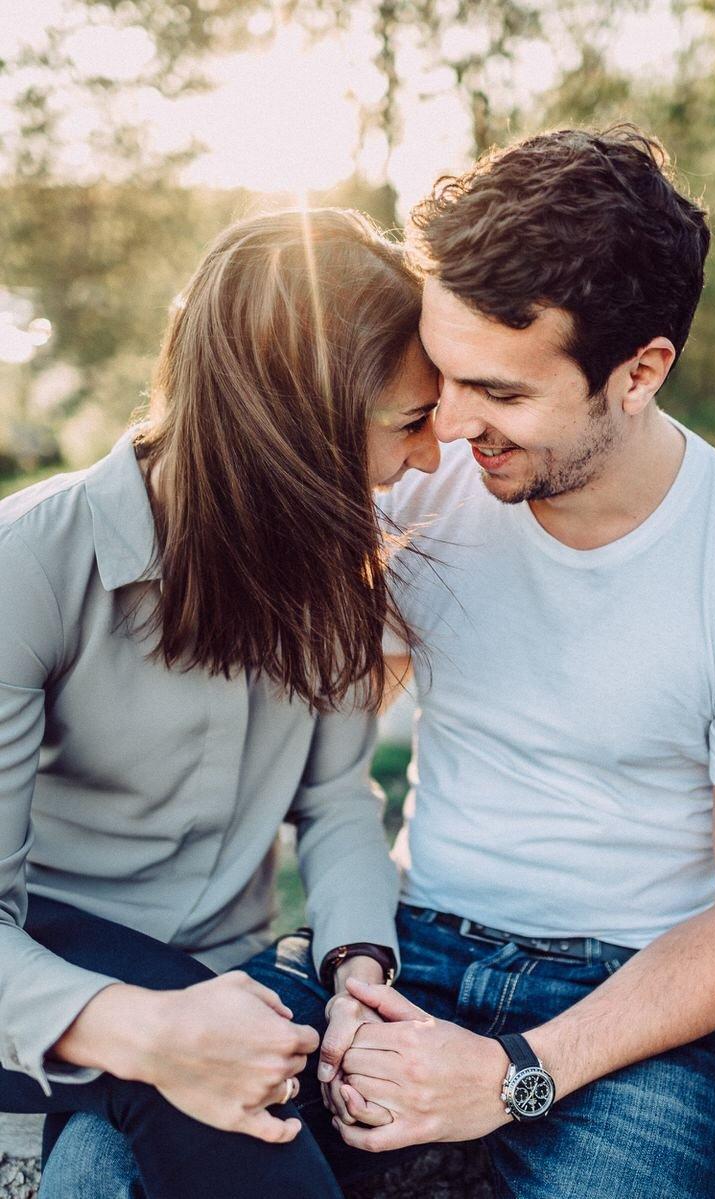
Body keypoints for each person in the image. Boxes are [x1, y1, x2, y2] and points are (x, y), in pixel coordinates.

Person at [41, 126, 715, 1199]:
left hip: (629, 1006)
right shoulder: (418, 471)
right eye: (440, 375)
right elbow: (316, 738)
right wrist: (354, 969)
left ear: (637, 372)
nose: (445, 423)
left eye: (497, 391)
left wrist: (514, 1075)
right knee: (103, 1168)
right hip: (409, 943)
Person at [0, 206, 440, 1199]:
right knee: (234, 1104)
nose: (430, 455)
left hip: (240, 984)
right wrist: (155, 1029)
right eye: (410, 421)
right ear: (296, 414)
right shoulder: (30, 564)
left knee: (106, 1170)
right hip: (37, 982)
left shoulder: (339, 570)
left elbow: (331, 799)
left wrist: (358, 964)